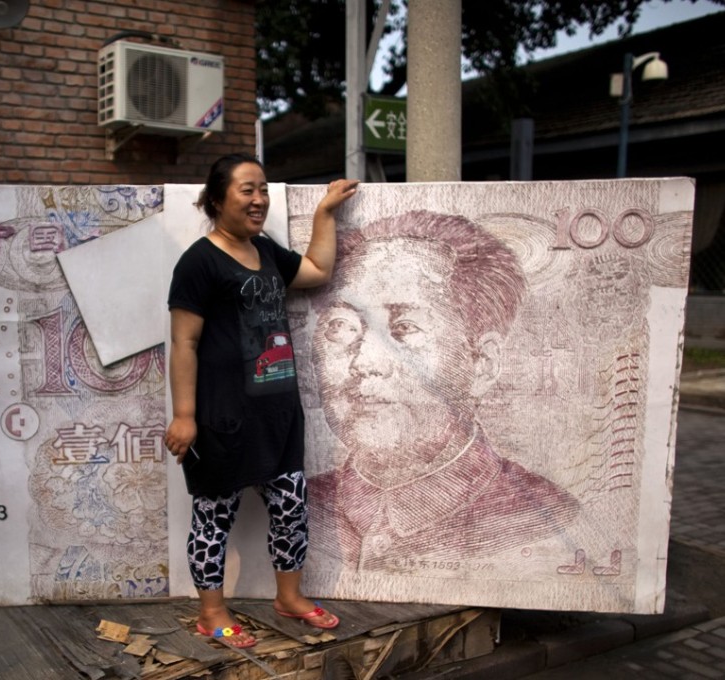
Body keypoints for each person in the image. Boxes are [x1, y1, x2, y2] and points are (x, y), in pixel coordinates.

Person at [307, 210, 580, 569]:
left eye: (404, 328)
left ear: (482, 363)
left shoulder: (546, 520)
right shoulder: (304, 506)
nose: (364, 363)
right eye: (341, 327)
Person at [164, 153, 358, 648]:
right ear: (216, 199)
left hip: (277, 412)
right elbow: (183, 343)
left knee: (290, 508)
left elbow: (315, 270)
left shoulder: (267, 251)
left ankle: (289, 598)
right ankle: (211, 613)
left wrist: (324, 214)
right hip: (222, 417)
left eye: (264, 190)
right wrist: (184, 416)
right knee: (213, 518)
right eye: (247, 189)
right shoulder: (199, 262)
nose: (259, 200)